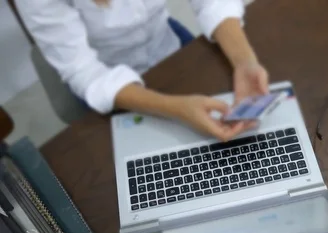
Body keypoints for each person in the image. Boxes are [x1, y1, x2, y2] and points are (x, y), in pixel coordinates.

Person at [15, 0, 269, 141]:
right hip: (110, 80)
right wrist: (176, 109)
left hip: (167, 42)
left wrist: (244, 60)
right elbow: (83, 71)